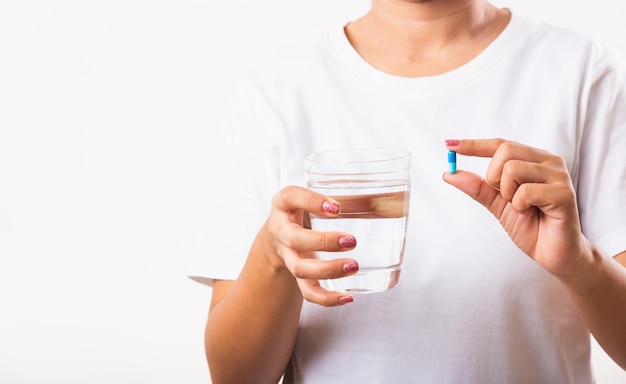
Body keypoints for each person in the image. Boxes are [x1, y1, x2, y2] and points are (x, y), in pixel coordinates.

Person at [188, 0, 626, 382]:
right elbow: (235, 378)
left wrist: (580, 264)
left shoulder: (582, 71)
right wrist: (273, 255)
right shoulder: (277, 89)